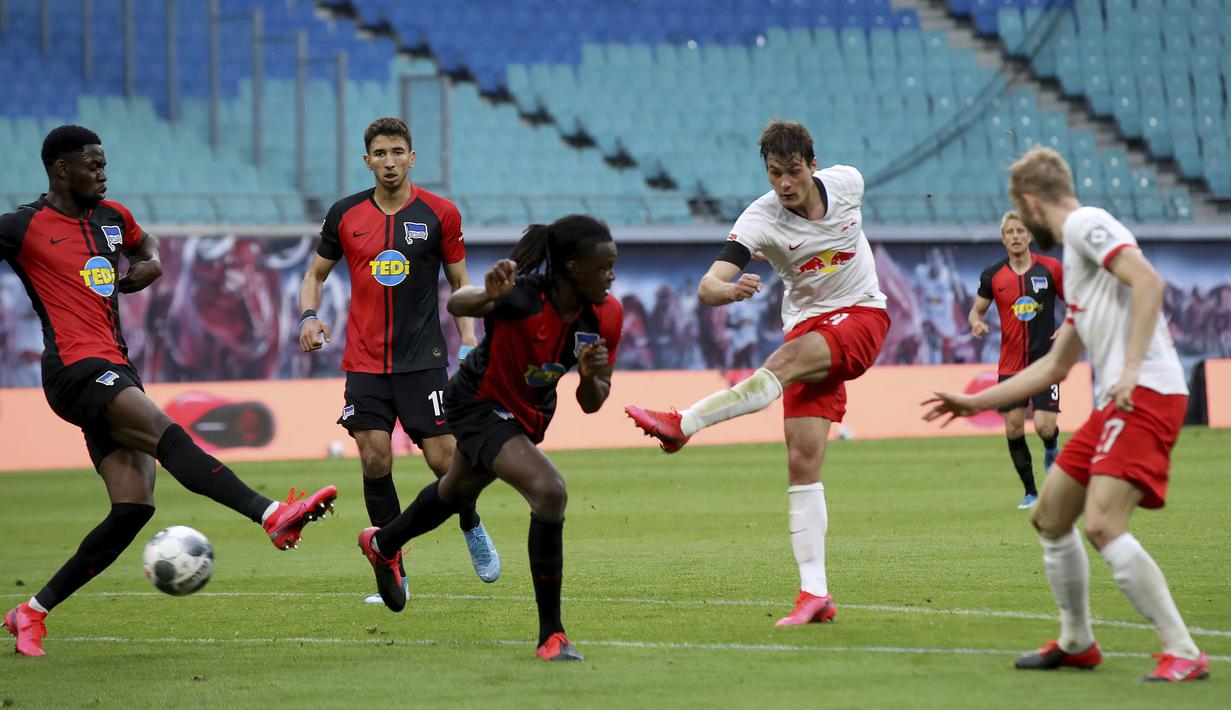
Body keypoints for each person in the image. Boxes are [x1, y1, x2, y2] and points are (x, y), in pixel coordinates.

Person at [0, 125, 337, 657]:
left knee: (133, 507)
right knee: (166, 432)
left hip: (117, 367)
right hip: (73, 370)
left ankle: (31, 612)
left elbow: (145, 243)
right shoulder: (22, 226)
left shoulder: (114, 219)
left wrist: (151, 263)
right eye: (93, 164)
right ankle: (272, 515)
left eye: (105, 163)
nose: (104, 173)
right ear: (62, 169)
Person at [923, 147, 1209, 682]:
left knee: (1101, 524)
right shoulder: (1077, 267)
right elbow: (1056, 363)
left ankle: (1184, 650)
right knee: (1051, 516)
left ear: (1029, 203)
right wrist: (976, 402)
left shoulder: (1085, 224)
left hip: (1145, 391)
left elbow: (1148, 281)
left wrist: (1126, 368)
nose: (1022, 228)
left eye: (1020, 215)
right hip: (1118, 399)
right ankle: (1077, 641)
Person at [625, 120, 891, 628]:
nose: (784, 184)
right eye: (775, 173)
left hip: (862, 315)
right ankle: (815, 593)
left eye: (793, 171)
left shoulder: (848, 183)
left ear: (813, 165)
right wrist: (728, 291)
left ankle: (684, 423)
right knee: (802, 460)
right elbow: (708, 285)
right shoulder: (759, 219)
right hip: (808, 328)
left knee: (783, 365)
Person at [356, 214, 621, 662]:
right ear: (572, 269)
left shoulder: (605, 315)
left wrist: (592, 378)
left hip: (528, 412)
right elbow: (459, 304)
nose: (611, 275)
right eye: (603, 266)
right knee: (549, 491)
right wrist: (487, 294)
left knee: (455, 490)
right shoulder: (521, 297)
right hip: (478, 404)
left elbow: (592, 401)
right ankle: (551, 634)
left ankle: (382, 544)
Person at [298, 117, 500, 603]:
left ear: (412, 157)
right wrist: (309, 315)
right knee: (373, 456)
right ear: (366, 160)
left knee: (444, 461)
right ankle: (392, 565)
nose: (389, 161)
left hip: (423, 360)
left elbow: (460, 285)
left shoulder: (440, 213)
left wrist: (469, 343)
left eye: (398, 152)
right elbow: (315, 274)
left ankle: (470, 522)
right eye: (380, 153)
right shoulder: (344, 214)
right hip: (365, 361)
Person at [969, 210, 1065, 509]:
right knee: (1013, 428)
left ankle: (1051, 447)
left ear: (1030, 235)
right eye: (1010, 232)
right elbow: (977, 310)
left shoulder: (1050, 269)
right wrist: (976, 322)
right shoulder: (993, 275)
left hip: (1045, 363)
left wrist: (1068, 326)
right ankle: (1030, 492)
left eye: (1021, 231)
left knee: (1045, 428)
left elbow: (1076, 303)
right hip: (1010, 365)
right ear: (1003, 238)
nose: (1015, 236)